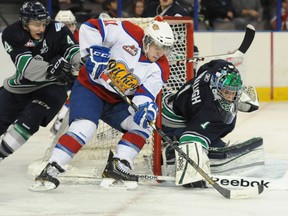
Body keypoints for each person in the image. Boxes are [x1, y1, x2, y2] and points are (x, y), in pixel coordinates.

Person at [30, 16, 175, 191]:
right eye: (157, 46)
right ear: (147, 39)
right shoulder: (128, 31)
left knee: (143, 124)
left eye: (165, 49)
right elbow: (90, 27)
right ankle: (51, 169)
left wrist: (146, 107)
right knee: (85, 127)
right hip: (90, 89)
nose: (160, 53)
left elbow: (145, 94)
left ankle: (119, 164)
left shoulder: (161, 67)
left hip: (117, 102)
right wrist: (95, 51)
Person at [0, 1, 80, 162]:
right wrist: (57, 69)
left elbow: (74, 53)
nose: (41, 29)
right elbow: (29, 70)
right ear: (24, 22)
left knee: (30, 119)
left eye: (43, 24)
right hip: (21, 86)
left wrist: (81, 65)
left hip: (52, 89)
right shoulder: (12, 33)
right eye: (36, 24)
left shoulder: (58, 29)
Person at [161, 59, 259, 187]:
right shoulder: (209, 111)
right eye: (227, 92)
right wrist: (193, 172)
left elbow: (208, 66)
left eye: (233, 92)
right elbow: (191, 136)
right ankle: (171, 153)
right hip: (170, 121)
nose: (230, 97)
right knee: (200, 140)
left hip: (174, 102)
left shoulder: (221, 69)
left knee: (208, 135)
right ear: (216, 89)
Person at [50, 9, 80, 135]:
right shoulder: (49, 38)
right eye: (63, 25)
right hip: (57, 76)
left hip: (76, 76)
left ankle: (61, 120)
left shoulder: (82, 36)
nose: (67, 28)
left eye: (70, 24)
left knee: (78, 93)